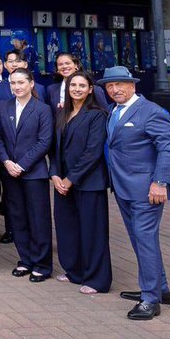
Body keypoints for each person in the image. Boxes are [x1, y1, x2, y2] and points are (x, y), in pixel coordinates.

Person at [96, 66, 170, 320]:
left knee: (145, 240)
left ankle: (151, 300)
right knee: (141, 241)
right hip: (122, 188)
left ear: (132, 85)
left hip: (147, 190)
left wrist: (160, 182)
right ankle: (159, 288)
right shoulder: (114, 110)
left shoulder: (151, 111)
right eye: (110, 86)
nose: (115, 90)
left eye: (120, 84)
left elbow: (168, 148)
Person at [50, 71, 112, 295]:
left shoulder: (97, 114)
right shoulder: (62, 113)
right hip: (62, 182)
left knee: (92, 231)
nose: (76, 89)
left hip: (88, 182)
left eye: (81, 85)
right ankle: (74, 271)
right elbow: (54, 147)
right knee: (68, 229)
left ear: (90, 89)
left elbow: (92, 152)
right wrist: (55, 174)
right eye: (72, 85)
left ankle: (97, 279)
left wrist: (70, 179)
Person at [0, 68, 54, 282]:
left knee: (38, 219)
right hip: (10, 172)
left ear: (31, 83)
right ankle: (25, 260)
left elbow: (44, 141)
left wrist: (22, 165)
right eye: (13, 83)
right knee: (17, 217)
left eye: (21, 82)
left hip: (33, 173)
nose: (17, 87)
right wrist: (7, 162)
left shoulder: (42, 109)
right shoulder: (3, 107)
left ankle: (42, 264)